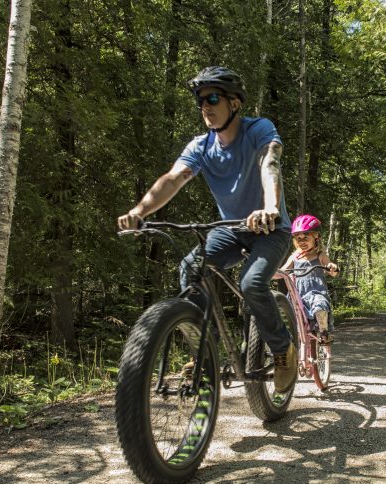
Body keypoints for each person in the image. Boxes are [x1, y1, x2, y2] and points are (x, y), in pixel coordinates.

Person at [116, 66, 297, 393]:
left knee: (253, 282)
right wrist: (139, 212)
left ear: (235, 103)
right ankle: (206, 350)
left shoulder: (258, 129)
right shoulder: (201, 146)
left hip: (271, 229)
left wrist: (271, 207)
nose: (206, 106)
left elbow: (270, 163)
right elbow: (173, 179)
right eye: (201, 101)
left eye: (213, 97)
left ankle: (283, 350)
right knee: (190, 267)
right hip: (232, 229)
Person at [281, 214, 339, 344]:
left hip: (315, 293)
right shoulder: (294, 257)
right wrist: (270, 274)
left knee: (320, 306)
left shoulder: (320, 256)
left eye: (305, 237)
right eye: (298, 238)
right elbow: (283, 271)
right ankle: (286, 342)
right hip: (297, 295)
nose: (302, 241)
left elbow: (331, 269)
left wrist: (332, 267)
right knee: (285, 314)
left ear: (316, 237)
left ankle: (324, 333)